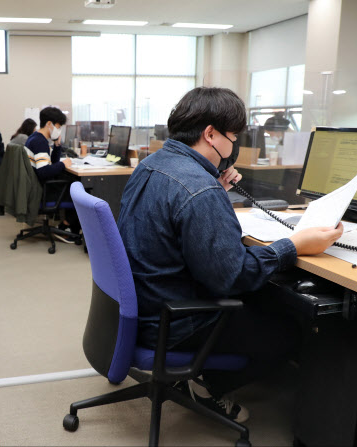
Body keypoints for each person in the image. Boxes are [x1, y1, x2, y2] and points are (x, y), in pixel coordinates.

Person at [117, 87, 343, 423]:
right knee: (289, 331)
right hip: (175, 323)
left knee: (268, 299)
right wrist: (294, 246)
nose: (234, 145)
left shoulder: (152, 164)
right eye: (233, 136)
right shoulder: (199, 189)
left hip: (146, 305)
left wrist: (215, 192)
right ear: (211, 134)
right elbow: (232, 277)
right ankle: (208, 386)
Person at [25, 106, 80, 236]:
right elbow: (44, 171)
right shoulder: (39, 142)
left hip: (36, 186)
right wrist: (63, 164)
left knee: (72, 182)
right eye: (58, 126)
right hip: (41, 190)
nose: (59, 130)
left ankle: (67, 224)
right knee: (79, 189)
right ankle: (68, 227)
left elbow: (51, 164)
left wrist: (57, 145)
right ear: (49, 124)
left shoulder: (35, 137)